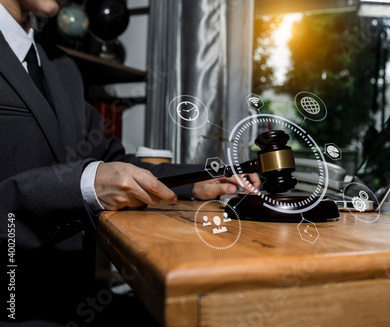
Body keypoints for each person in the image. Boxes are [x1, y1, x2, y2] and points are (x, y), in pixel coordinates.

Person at [0, 0, 260, 325]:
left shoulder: (62, 68)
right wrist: (84, 183)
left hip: (72, 298)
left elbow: (112, 159)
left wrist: (194, 180)